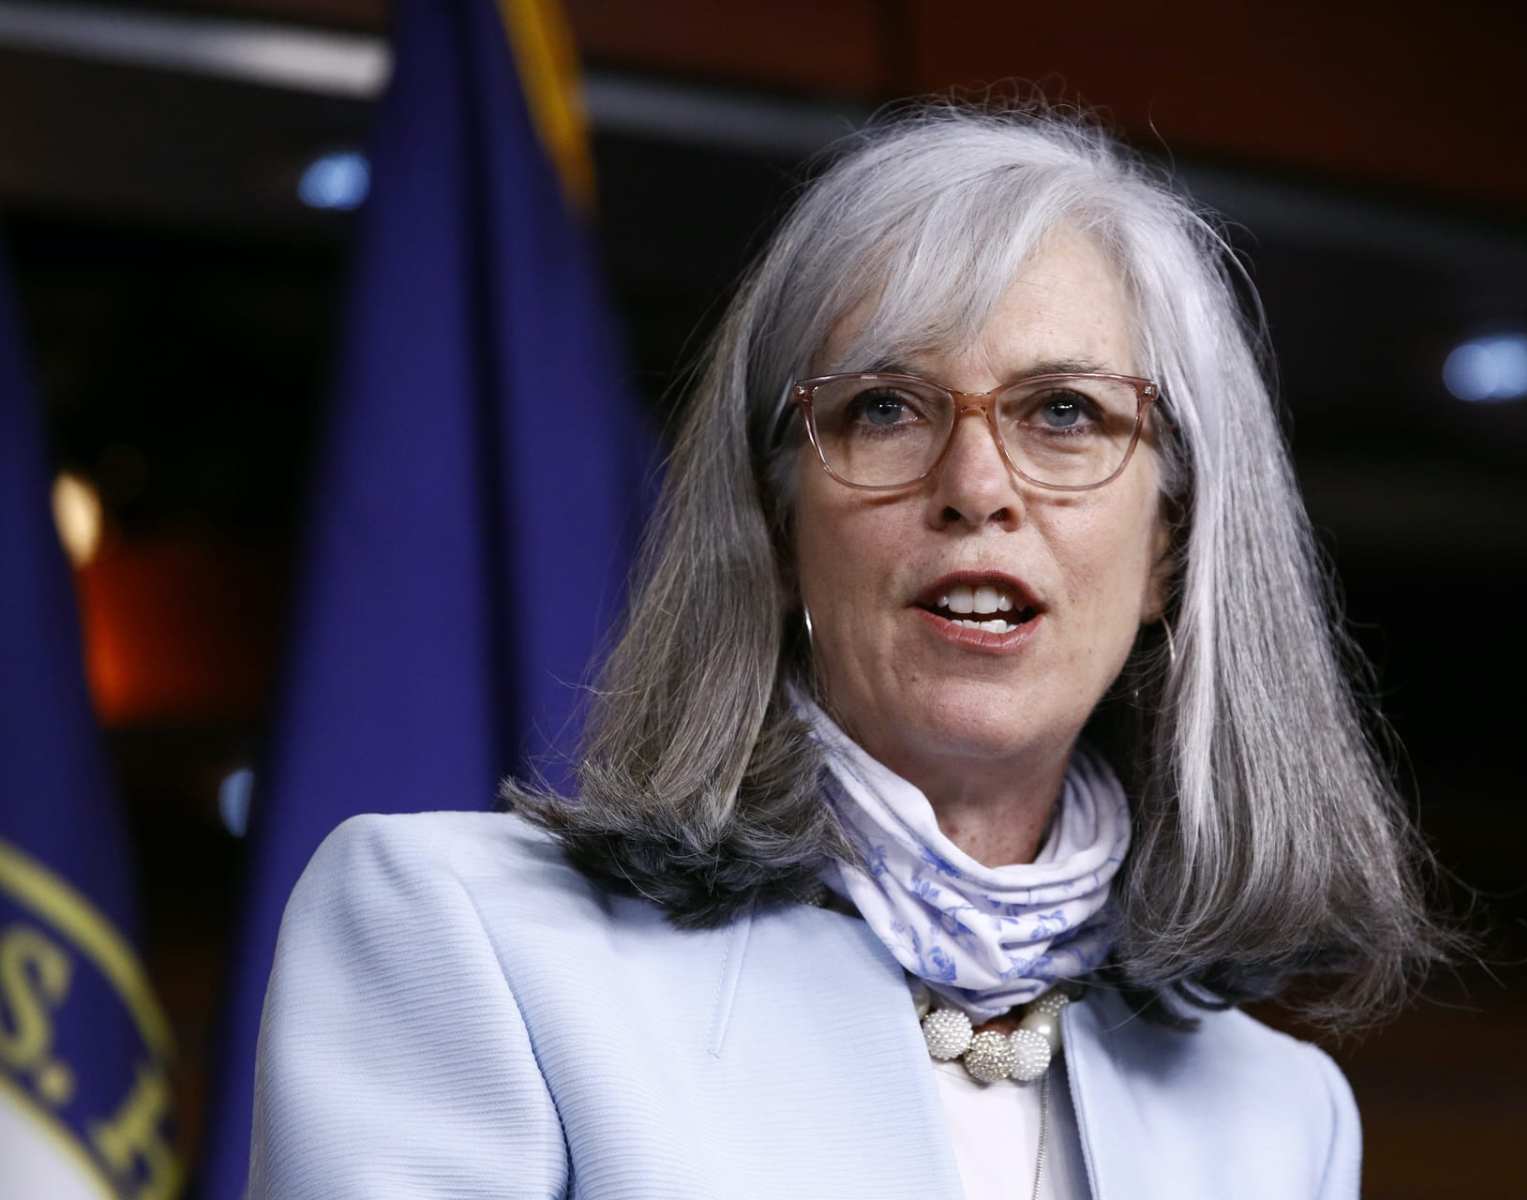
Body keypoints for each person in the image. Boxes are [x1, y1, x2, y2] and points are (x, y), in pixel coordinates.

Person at [249, 100, 1452, 1199]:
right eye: (884, 408)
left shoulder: (1282, 1119)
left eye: (1065, 414)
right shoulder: (464, 941)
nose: (976, 485)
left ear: (1171, 548)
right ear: (776, 529)